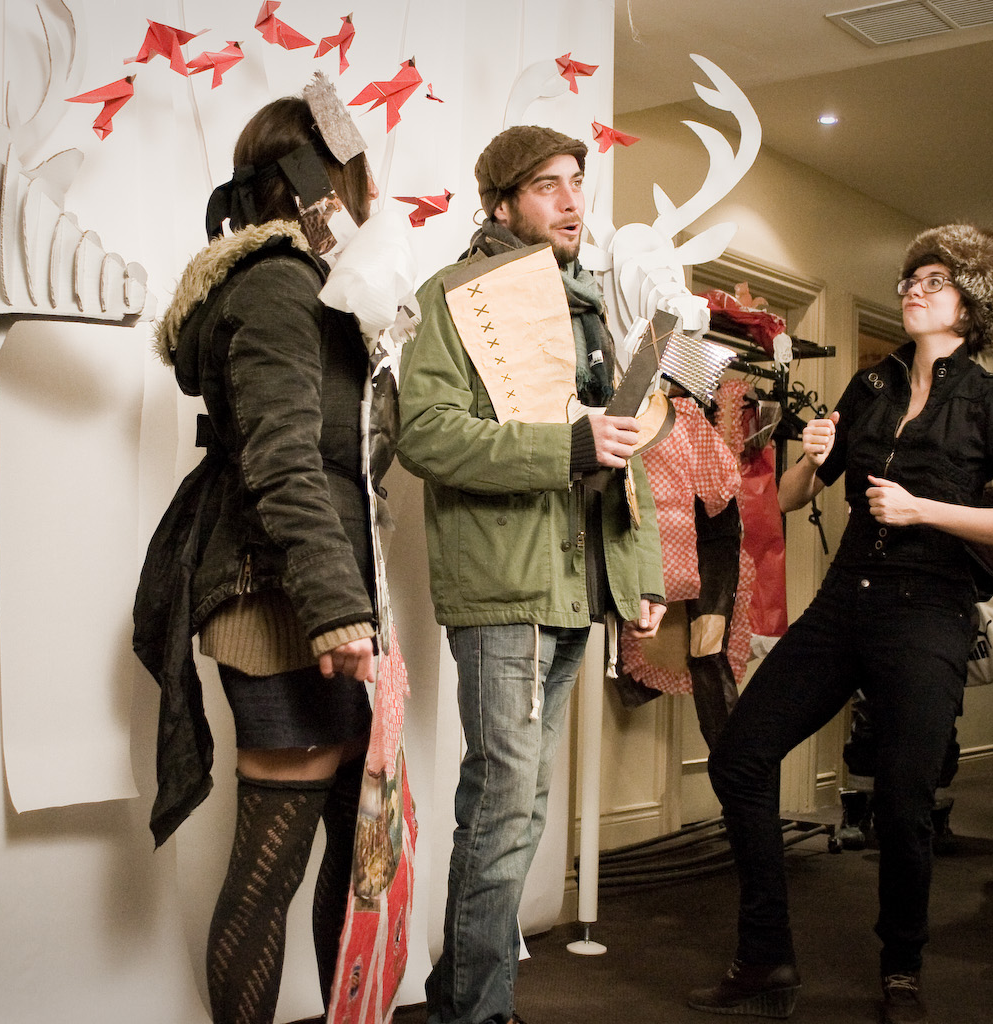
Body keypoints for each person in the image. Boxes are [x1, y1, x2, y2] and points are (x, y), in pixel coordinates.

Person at [687, 224, 993, 1024]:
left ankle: (901, 969)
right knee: (742, 756)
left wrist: (926, 508)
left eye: (934, 279)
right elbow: (788, 500)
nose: (913, 289)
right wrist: (813, 456)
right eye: (909, 279)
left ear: (973, 298)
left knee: (903, 800)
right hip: (844, 602)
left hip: (929, 610)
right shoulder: (870, 387)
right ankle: (765, 956)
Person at [396, 125, 668, 1024]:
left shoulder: (587, 306)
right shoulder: (454, 298)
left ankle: (475, 1001)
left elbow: (622, 450)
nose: (571, 199)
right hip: (506, 588)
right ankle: (470, 1011)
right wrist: (567, 443)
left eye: (578, 182)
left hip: (575, 588)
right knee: (504, 808)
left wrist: (643, 575)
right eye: (547, 185)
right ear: (502, 202)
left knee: (522, 807)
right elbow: (425, 433)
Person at [133, 87, 385, 1024]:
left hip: (311, 590)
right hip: (279, 597)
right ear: (316, 183)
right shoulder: (280, 283)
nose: (367, 202)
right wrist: (337, 609)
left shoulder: (312, 288)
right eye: (356, 181)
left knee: (338, 843)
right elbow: (284, 458)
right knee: (271, 862)